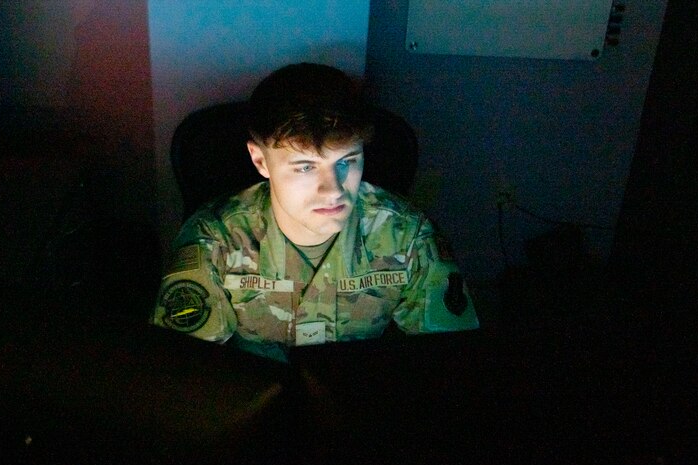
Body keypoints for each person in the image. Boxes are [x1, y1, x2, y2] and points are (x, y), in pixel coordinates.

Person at [152, 63, 479, 359]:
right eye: (306, 167)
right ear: (260, 161)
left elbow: (449, 363)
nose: (334, 190)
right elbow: (185, 376)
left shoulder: (407, 236)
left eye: (347, 162)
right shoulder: (215, 240)